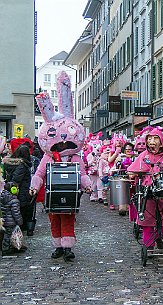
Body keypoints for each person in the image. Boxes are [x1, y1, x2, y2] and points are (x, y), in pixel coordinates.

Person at [31, 71, 91, 262]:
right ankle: (58, 245)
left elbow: (81, 173)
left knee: (67, 219)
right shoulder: (48, 157)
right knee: (53, 220)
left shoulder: (74, 157)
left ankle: (67, 247)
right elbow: (39, 173)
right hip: (51, 195)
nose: (63, 143)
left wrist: (87, 184)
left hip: (69, 195)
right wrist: (34, 186)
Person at [127, 126, 163, 250]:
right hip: (147, 191)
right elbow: (131, 171)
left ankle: (159, 236)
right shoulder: (143, 155)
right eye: (149, 139)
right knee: (147, 220)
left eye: (155, 138)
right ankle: (149, 245)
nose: (151, 142)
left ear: (161, 142)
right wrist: (136, 173)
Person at [3, 144, 33, 236]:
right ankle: (20, 230)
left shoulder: (9, 163)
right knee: (22, 210)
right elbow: (16, 180)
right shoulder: (22, 165)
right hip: (21, 192)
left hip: (13, 192)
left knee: (12, 211)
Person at [0, 182, 24, 255]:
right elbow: (16, 213)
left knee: (7, 235)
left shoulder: (2, 197)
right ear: (13, 190)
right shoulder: (14, 200)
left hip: (4, 220)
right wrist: (20, 222)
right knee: (9, 235)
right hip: (11, 222)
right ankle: (6, 249)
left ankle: (9, 247)